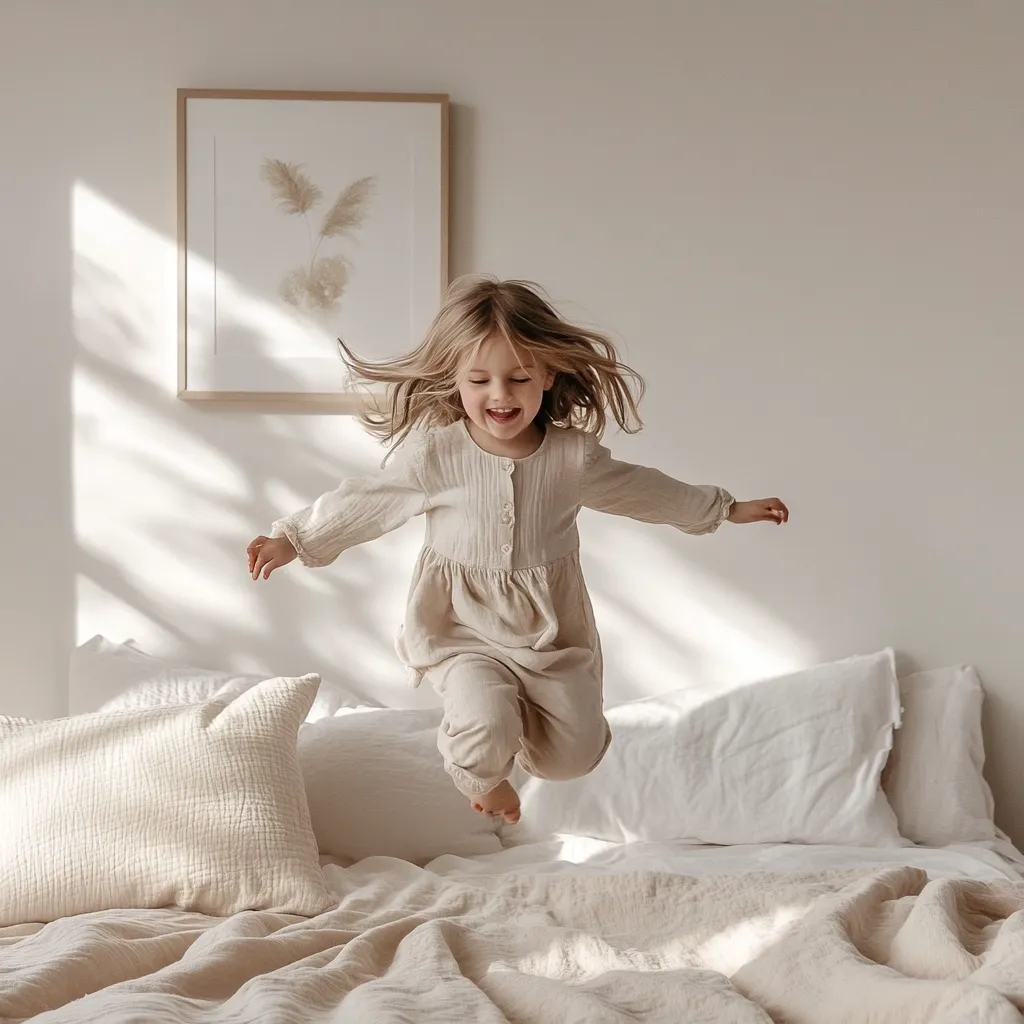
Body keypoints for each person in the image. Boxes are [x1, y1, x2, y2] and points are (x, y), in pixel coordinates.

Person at [247, 276, 788, 824]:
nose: (500, 395)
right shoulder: (436, 455)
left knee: (573, 756)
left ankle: (517, 723)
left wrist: (722, 508)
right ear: (454, 380)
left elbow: (644, 491)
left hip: (550, 630)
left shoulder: (572, 458)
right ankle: (481, 769)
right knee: (483, 717)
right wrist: (295, 538)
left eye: (519, 377)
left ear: (548, 375)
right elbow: (366, 501)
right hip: (460, 628)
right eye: (479, 380)